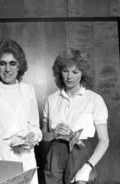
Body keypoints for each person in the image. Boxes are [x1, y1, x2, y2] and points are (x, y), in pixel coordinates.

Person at [0, 38, 42, 184]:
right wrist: (13, 167)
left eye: (12, 63)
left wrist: (33, 136)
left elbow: (35, 127)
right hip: (0, 164)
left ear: (19, 66)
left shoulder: (29, 90)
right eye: (3, 63)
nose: (7, 69)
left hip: (27, 163)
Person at [42, 48, 109, 184]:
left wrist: (88, 166)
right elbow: (43, 135)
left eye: (75, 72)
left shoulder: (94, 99)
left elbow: (104, 140)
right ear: (59, 72)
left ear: (83, 73)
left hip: (81, 153)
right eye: (65, 71)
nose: (69, 76)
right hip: (55, 153)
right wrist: (54, 133)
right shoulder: (51, 99)